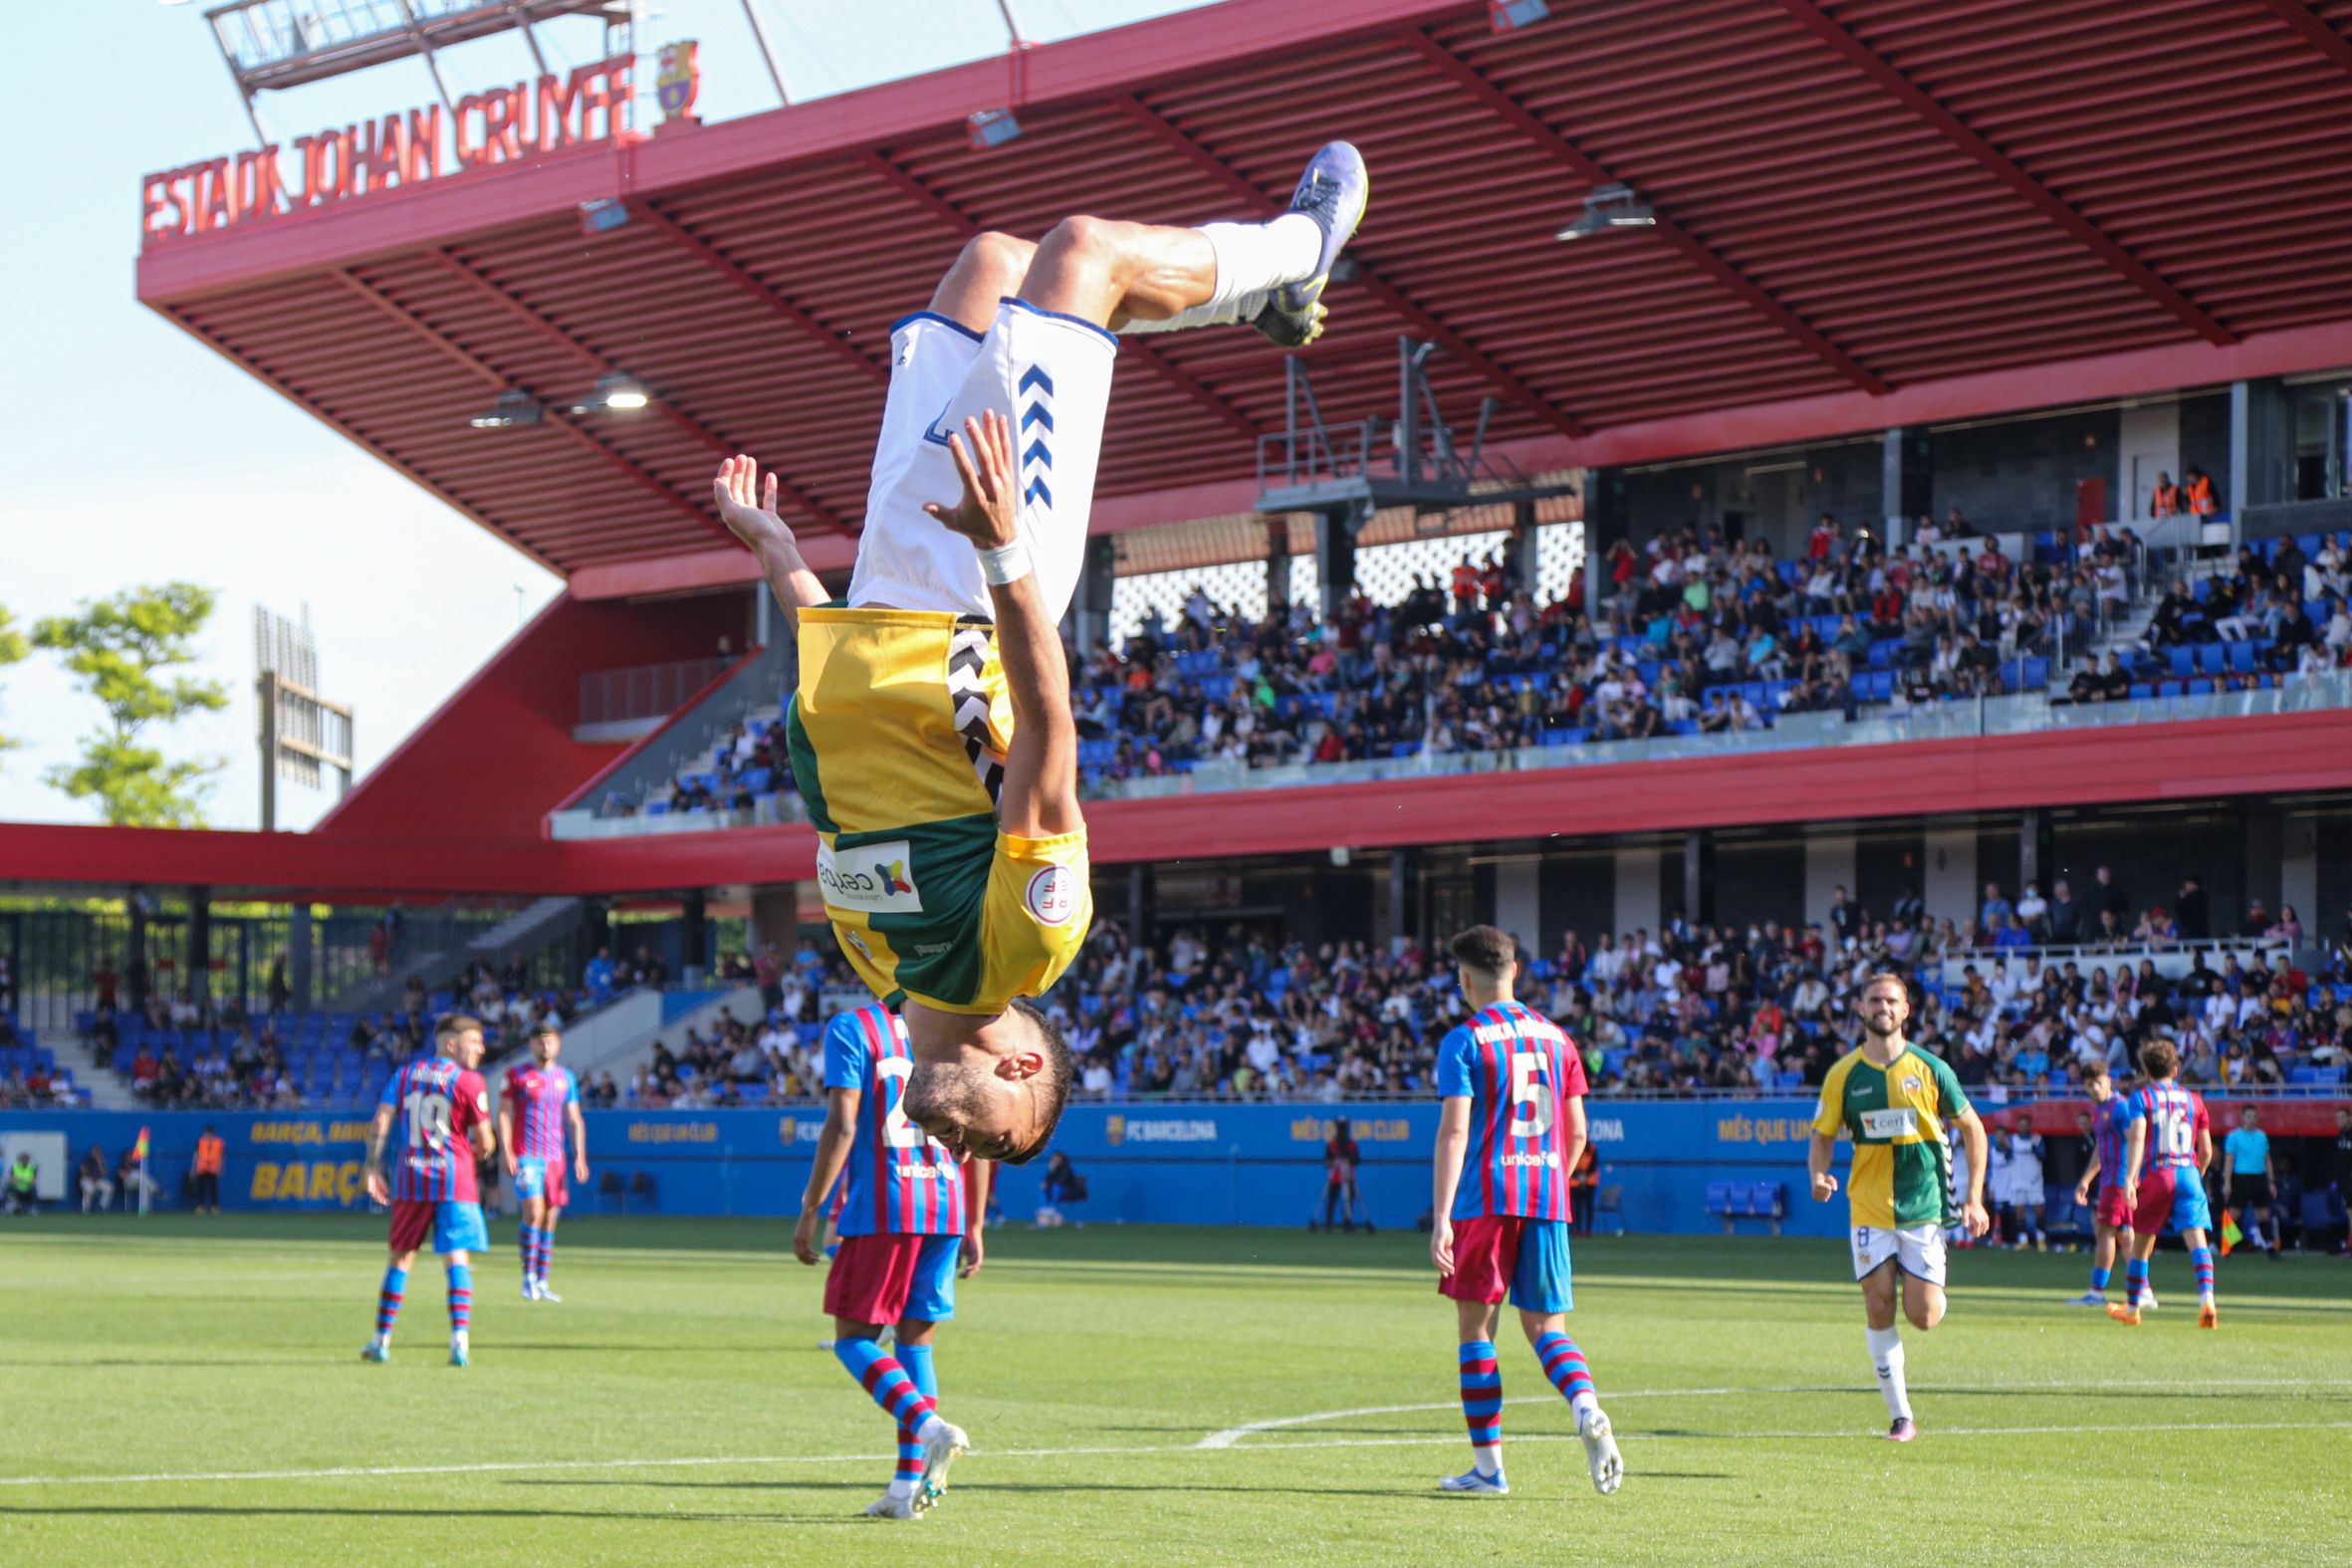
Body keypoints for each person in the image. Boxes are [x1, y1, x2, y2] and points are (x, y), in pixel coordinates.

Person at [713, 142, 1369, 1166]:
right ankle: (1300, 248)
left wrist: (783, 558)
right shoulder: (1028, 944)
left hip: (882, 576)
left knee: (988, 262)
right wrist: (1005, 542)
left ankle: (1252, 307)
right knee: (1079, 255)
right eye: (994, 1142)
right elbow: (1046, 732)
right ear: (1020, 1068)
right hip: (980, 577)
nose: (961, 1152)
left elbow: (846, 725)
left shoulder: (867, 953)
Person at [1429, 924, 1622, 1498]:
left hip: (1485, 1200)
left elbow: (1454, 1132)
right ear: (1515, 971)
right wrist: (1549, 1183)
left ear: (1465, 980)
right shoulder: (1558, 1039)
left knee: (1476, 1332)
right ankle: (1585, 1405)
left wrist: (1441, 1218)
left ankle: (1489, 1471)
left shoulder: (1463, 1041)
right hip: (1545, 1200)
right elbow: (1579, 1131)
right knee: (1546, 1329)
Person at [796, 1002, 989, 1519]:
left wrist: (811, 1208)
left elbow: (841, 1124)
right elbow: (982, 1128)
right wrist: (975, 1221)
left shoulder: (854, 1026)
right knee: (914, 1343)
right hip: (946, 1204)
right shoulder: (953, 1026)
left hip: (887, 1204)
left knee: (853, 1338)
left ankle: (931, 1429)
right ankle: (905, 1492)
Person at [1807, 973, 1991, 1442]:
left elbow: (1973, 1128)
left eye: (1891, 1000)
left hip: (1924, 1205)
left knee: (1924, 1317)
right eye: (1874, 1000)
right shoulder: (1843, 1074)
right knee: (1878, 1302)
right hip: (1868, 1207)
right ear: (1861, 1008)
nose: (1882, 1007)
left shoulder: (1931, 1069)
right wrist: (1818, 1175)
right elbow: (1823, 1135)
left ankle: (1927, 1286)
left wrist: (1973, 1198)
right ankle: (1901, 1417)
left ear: (1906, 1010)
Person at [360, 1013, 495, 1367]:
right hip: (455, 1181)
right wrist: (483, 1150)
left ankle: (380, 1341)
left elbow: (380, 1121)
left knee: (401, 1259)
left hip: (411, 1181)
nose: (481, 1049)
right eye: (474, 1042)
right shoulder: (469, 1081)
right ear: (452, 1044)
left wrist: (373, 1166)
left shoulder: (404, 1075)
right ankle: (459, 1343)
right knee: (456, 1258)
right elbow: (485, 1141)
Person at [2107, 1039, 2219, 1329]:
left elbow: (2137, 1138)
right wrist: (2196, 1175)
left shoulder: (2142, 1098)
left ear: (2146, 1070)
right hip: (2189, 1172)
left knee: (2142, 1246)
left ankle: (2132, 1309)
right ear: (2177, 1068)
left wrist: (2130, 1179)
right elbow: (2206, 1151)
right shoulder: (2194, 1100)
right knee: (2198, 1243)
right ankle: (2207, 1299)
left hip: (2158, 1173)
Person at [500, 1023, 589, 1302]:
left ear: (558, 1044)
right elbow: (503, 1113)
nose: (545, 1046)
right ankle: (527, 1278)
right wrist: (507, 1151)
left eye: (550, 1041)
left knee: (550, 1219)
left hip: (555, 1158)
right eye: (540, 1042)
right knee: (534, 1213)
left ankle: (542, 1280)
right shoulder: (516, 1075)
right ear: (531, 1045)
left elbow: (574, 1119)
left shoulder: (566, 1078)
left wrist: (579, 1155)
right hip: (528, 1155)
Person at [2067, 1064, 2146, 1308]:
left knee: (2105, 1232)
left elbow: (2135, 1140)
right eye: (2090, 1084)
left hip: (2118, 1181)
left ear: (2109, 1082)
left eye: (2098, 1083)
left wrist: (2130, 1179)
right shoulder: (2099, 1110)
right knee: (2124, 1235)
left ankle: (2097, 1292)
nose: (2094, 1088)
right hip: (2110, 1181)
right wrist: (2086, 1179)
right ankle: (2143, 1290)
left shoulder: (2119, 1108)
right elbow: (2101, 1149)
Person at [2222, 1104, 2279, 1260]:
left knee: (2263, 1214)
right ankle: (2228, 1246)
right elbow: (2229, 1160)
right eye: (2249, 1116)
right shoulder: (2234, 1136)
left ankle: (2269, 1247)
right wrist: (2227, 1182)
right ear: (2243, 1117)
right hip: (2241, 1177)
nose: (2252, 1119)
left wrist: (2271, 1182)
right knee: (2234, 1213)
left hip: (2259, 1178)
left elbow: (2267, 1160)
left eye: (2254, 1116)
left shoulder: (2262, 1136)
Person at [1315, 1116, 1368, 1233]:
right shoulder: (1332, 1144)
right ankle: (1328, 1223)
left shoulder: (1352, 1144)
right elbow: (1327, 1162)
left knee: (1349, 1199)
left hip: (1348, 1176)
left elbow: (1356, 1160)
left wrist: (1348, 1157)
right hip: (1335, 1177)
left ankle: (1347, 1221)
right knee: (1332, 1199)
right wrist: (1334, 1160)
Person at [1037, 1149, 1086, 1227]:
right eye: (1053, 1158)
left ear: (1061, 1159)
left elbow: (1061, 1181)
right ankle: (1044, 1209)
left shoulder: (1066, 1168)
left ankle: (1053, 1209)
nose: (1054, 1160)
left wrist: (1049, 1184)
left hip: (1068, 1191)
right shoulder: (1053, 1168)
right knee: (1043, 1189)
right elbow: (1047, 1180)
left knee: (1056, 1188)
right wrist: (1051, 1172)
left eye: (1056, 1158)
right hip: (1054, 1190)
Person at [191, 1126, 224, 1215]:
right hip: (202, 1168)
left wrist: (221, 1168)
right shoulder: (200, 1142)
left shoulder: (219, 1142)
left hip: (213, 1169)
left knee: (213, 1189)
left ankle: (214, 1207)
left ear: (213, 1133)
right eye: (206, 1133)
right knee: (201, 1189)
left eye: (209, 1133)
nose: (207, 1135)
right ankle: (200, 1206)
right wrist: (193, 1169)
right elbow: (196, 1155)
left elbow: (221, 1156)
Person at [78, 1145, 115, 1214]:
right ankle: (85, 1209)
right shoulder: (87, 1159)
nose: (96, 1153)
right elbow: (82, 1172)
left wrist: (99, 1162)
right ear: (92, 1152)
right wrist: (91, 1178)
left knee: (109, 1187)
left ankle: (102, 1207)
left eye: (98, 1151)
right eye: (95, 1151)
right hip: (86, 1180)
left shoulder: (101, 1160)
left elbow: (104, 1173)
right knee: (89, 1190)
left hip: (97, 1180)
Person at [5, 1150, 37, 1215]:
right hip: (16, 1188)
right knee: (7, 1188)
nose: (24, 1160)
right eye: (23, 1159)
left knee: (34, 1189)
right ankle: (5, 1207)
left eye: (26, 1159)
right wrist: (23, 1180)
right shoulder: (15, 1167)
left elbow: (33, 1181)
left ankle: (33, 1208)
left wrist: (21, 1180)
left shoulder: (32, 1167)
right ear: (20, 1160)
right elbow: (11, 1180)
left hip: (28, 1188)